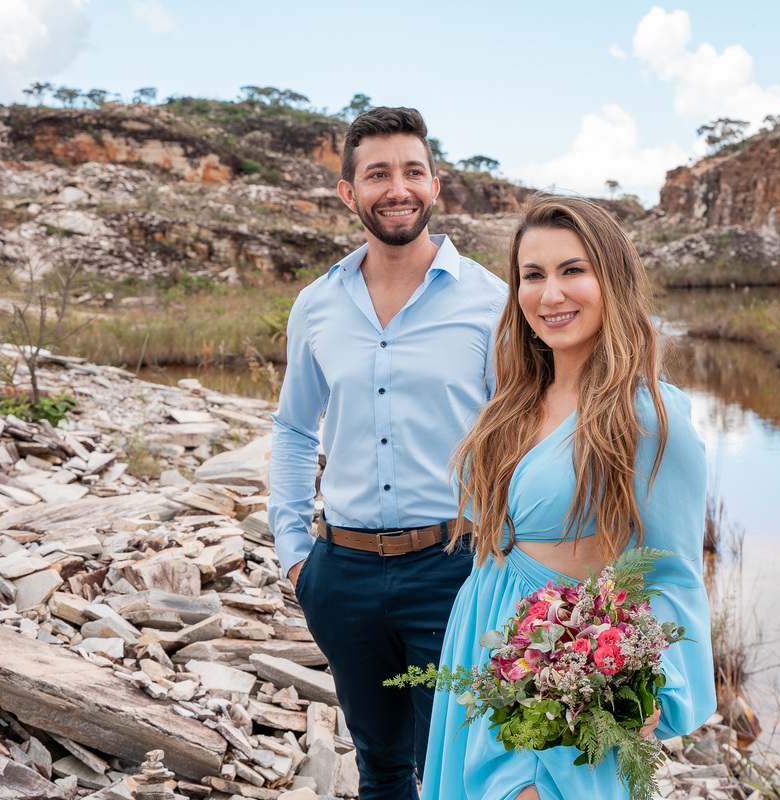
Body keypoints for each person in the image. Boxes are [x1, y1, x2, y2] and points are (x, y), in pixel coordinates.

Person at [420, 195, 716, 800]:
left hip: (562, 677)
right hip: (480, 640)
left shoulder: (648, 416)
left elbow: (674, 569)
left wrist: (655, 685)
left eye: (572, 270)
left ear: (613, 281)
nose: (550, 294)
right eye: (533, 276)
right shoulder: (512, 401)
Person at [267, 106, 507, 800]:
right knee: (379, 769)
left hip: (452, 569)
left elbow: (517, 435)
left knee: (455, 772)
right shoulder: (316, 304)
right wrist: (295, 554)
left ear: (435, 185)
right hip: (340, 573)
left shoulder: (491, 301)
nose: (397, 189)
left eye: (412, 172)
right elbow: (294, 429)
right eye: (378, 174)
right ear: (349, 192)